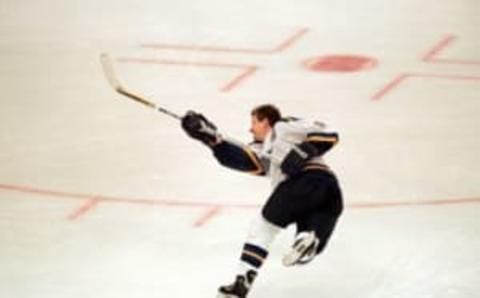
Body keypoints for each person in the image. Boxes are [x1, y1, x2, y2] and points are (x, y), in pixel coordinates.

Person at [181, 104, 343, 298]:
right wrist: (211, 139)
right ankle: (308, 238)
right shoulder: (264, 150)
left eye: (254, 122)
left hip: (303, 182)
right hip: (330, 193)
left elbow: (329, 133)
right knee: (308, 246)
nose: (250, 129)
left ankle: (242, 281)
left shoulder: (284, 126)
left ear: (266, 121)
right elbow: (245, 160)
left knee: (263, 227)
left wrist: (302, 152)